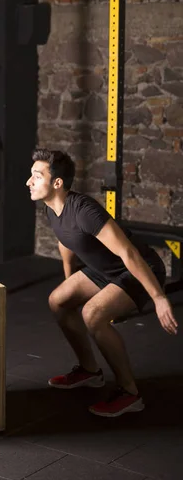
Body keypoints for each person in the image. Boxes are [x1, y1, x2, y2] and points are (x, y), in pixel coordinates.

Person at [26, 147, 178, 418]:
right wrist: (69, 279)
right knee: (58, 300)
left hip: (139, 268)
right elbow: (66, 243)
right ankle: (89, 371)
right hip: (103, 270)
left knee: (92, 314)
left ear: (57, 183)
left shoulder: (85, 211)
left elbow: (128, 253)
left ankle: (131, 394)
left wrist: (158, 298)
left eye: (36, 176)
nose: (29, 182)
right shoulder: (52, 209)